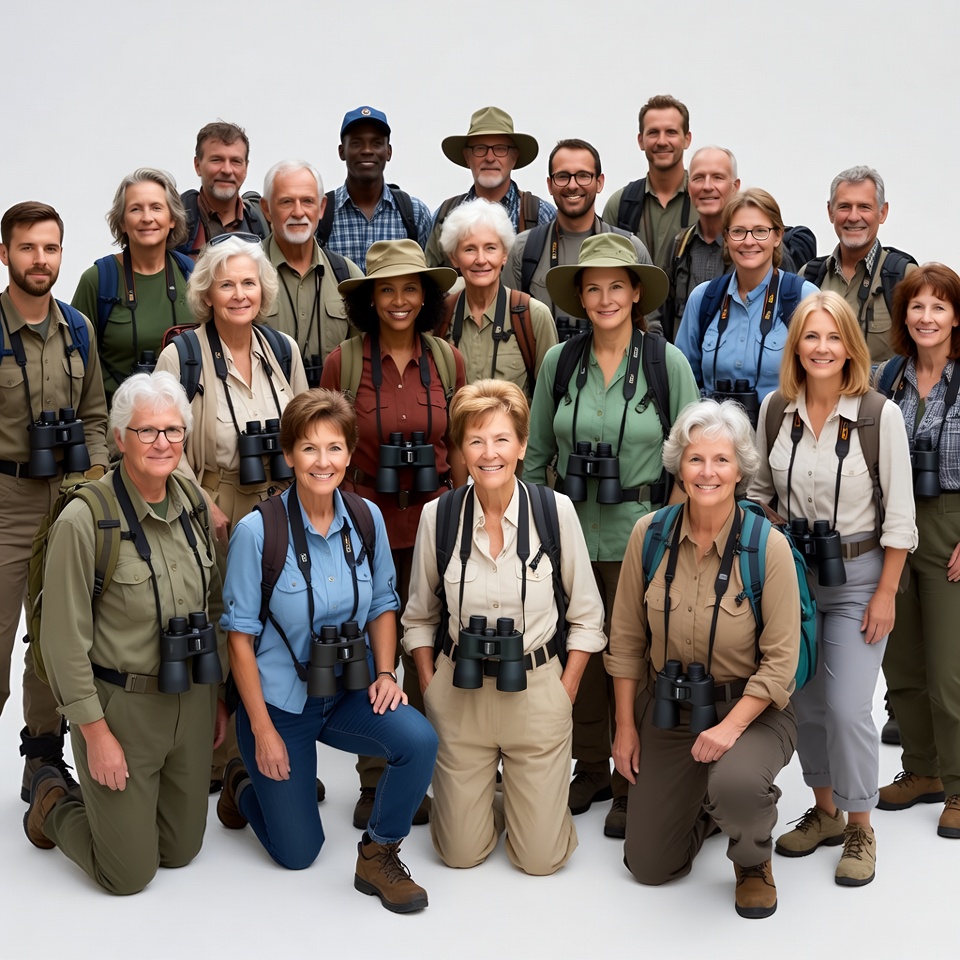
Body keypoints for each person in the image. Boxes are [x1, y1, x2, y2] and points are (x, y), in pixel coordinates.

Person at [217, 389, 438, 913]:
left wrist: (386, 672)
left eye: (335, 448)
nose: (324, 461)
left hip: (346, 691)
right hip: (279, 706)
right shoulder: (257, 531)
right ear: (289, 454)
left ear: (349, 454)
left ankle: (380, 852)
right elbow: (240, 639)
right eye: (310, 449)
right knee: (299, 854)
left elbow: (385, 601)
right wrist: (264, 731)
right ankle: (242, 782)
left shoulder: (366, 519)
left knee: (419, 740)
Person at [525, 233, 700, 838]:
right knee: (581, 652)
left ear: (634, 293)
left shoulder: (664, 361)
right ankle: (592, 765)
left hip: (642, 535)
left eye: (615, 286)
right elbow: (536, 454)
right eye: (592, 287)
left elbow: (693, 456)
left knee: (637, 656)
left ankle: (633, 776)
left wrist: (674, 529)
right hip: (570, 533)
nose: (604, 298)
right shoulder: (560, 363)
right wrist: (532, 526)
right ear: (580, 295)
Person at [24, 371, 226, 895]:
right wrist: (95, 735)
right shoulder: (84, 519)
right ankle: (52, 802)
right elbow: (63, 642)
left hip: (191, 699)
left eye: (173, 431)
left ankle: (132, 808)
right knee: (128, 876)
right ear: (119, 439)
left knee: (181, 853)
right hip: (123, 710)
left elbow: (214, 606)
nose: (163, 443)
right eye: (147, 431)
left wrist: (218, 701)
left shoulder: (194, 504)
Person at [402, 379, 605, 873]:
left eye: (499, 439)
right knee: (459, 855)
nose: (488, 453)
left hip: (536, 691)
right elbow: (420, 616)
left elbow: (586, 615)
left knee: (540, 860)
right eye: (474, 440)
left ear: (521, 445)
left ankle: (522, 796)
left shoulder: (555, 512)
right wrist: (431, 687)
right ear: (460, 450)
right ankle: (493, 797)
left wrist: (566, 689)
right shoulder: (439, 517)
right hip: (461, 692)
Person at [608, 399, 800, 919]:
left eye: (721, 460)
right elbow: (624, 641)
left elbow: (781, 663)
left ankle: (752, 856)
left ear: (740, 469)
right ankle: (712, 809)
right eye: (695, 459)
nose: (707, 472)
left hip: (751, 710)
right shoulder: (648, 535)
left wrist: (727, 730)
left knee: (734, 783)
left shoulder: (768, 547)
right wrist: (626, 728)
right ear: (678, 464)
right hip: (670, 710)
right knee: (648, 865)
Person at [750, 291, 917, 886]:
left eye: (833, 337)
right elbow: (759, 494)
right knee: (809, 705)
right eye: (810, 337)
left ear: (851, 346)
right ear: (796, 345)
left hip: (859, 580)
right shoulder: (776, 409)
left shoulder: (879, 415)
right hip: (793, 579)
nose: (822, 348)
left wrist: (886, 592)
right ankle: (823, 812)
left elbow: (900, 515)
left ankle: (860, 826)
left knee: (849, 709)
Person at [320, 239, 466, 828]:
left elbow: (458, 445)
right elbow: (326, 447)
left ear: (426, 297)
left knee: (434, 642)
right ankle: (374, 775)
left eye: (410, 289)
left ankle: (437, 765)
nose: (399, 300)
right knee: (369, 647)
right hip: (366, 522)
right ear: (370, 299)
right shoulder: (344, 362)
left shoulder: (448, 360)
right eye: (387, 289)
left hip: (432, 522)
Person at [0, 201, 109, 802]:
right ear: (5, 254)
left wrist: (91, 481)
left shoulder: (78, 328)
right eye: (27, 248)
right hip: (6, 498)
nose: (40, 260)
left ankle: (42, 758)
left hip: (68, 498)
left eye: (50, 248)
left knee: (52, 634)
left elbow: (94, 415)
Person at [874, 264, 960, 838]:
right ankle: (922, 771)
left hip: (952, 523)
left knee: (949, 670)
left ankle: (958, 786)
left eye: (939, 306)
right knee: (900, 660)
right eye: (917, 306)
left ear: (956, 316)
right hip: (894, 523)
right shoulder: (888, 378)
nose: (926, 317)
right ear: (904, 316)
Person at [155, 236, 307, 552]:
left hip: (285, 505)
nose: (239, 295)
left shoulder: (284, 351)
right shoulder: (180, 358)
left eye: (249, 283)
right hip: (216, 512)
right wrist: (201, 505)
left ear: (262, 290)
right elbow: (162, 444)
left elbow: (306, 433)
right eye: (226, 285)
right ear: (207, 295)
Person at [674, 188, 819, 411]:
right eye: (738, 231)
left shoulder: (803, 298)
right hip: (715, 439)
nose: (749, 241)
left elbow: (822, 382)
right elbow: (682, 383)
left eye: (760, 231)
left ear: (778, 236)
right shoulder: (704, 299)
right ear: (726, 237)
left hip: (781, 436)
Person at [71, 168, 194, 405]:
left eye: (156, 207)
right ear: (122, 222)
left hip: (186, 419)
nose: (147, 218)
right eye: (136, 209)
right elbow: (75, 361)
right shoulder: (98, 280)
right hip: (119, 423)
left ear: (172, 219)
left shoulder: (192, 275)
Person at [505, 138, 653, 329]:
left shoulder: (631, 247)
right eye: (563, 176)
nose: (573, 185)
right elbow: (508, 323)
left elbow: (650, 325)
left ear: (599, 182)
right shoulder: (523, 249)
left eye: (583, 176)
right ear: (550, 185)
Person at [258, 159, 363, 385]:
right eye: (286, 202)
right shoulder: (246, 272)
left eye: (307, 201)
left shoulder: (347, 275)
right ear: (266, 209)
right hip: (264, 414)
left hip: (332, 412)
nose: (298, 212)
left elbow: (366, 359)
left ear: (322, 207)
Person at [438, 198, 556, 398]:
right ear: (453, 257)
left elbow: (550, 398)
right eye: (469, 249)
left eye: (490, 248)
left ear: (505, 254)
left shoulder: (532, 315)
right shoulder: (441, 315)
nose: (481, 260)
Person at [801, 165, 917, 363]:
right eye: (844, 206)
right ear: (830, 212)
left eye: (864, 207)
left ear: (883, 212)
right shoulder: (809, 277)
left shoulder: (904, 276)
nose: (853, 217)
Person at [425, 106, 555, 268]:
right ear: (467, 157)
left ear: (514, 157)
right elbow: (429, 283)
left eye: (500, 149)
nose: (490, 158)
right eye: (480, 149)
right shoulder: (445, 215)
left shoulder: (541, 214)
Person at [317, 106, 432, 272]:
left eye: (377, 143)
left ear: (388, 152)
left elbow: (429, 280)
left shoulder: (414, 213)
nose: (367, 151)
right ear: (342, 152)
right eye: (356, 143)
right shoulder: (321, 213)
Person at [602, 94, 696, 274]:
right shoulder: (620, 204)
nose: (662, 141)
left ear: (687, 139)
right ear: (640, 140)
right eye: (653, 132)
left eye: (671, 132)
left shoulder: (706, 201)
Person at [663, 146, 741, 341]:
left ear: (735, 186)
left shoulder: (753, 247)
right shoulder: (678, 247)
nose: (707, 186)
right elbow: (662, 314)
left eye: (718, 177)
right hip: (686, 367)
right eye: (698, 178)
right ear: (689, 188)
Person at [177, 121, 269, 258]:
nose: (227, 170)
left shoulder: (264, 222)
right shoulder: (174, 223)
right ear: (197, 165)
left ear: (246, 167)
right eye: (216, 160)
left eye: (236, 161)